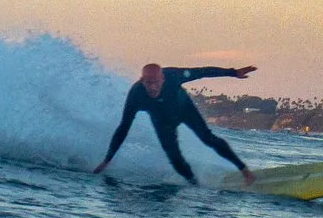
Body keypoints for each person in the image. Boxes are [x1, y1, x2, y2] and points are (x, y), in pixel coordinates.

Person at [94, 63, 257, 183]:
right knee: (175, 158)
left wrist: (233, 72)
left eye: (155, 82)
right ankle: (194, 183)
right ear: (142, 81)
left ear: (162, 78)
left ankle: (244, 171)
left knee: (208, 138)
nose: (152, 87)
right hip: (162, 121)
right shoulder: (136, 94)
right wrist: (107, 159)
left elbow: (201, 72)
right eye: (147, 83)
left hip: (185, 110)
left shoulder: (173, 75)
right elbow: (124, 127)